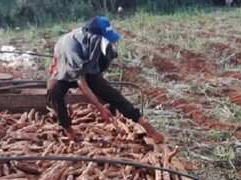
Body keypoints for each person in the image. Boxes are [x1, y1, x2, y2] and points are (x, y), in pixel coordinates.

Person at [47, 16, 164, 144]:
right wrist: (100, 108)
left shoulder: (96, 42)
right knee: (54, 90)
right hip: (65, 69)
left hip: (87, 68)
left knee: (111, 93)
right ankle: (68, 129)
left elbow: (101, 64)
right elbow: (82, 83)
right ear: (94, 36)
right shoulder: (72, 46)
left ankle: (144, 124)